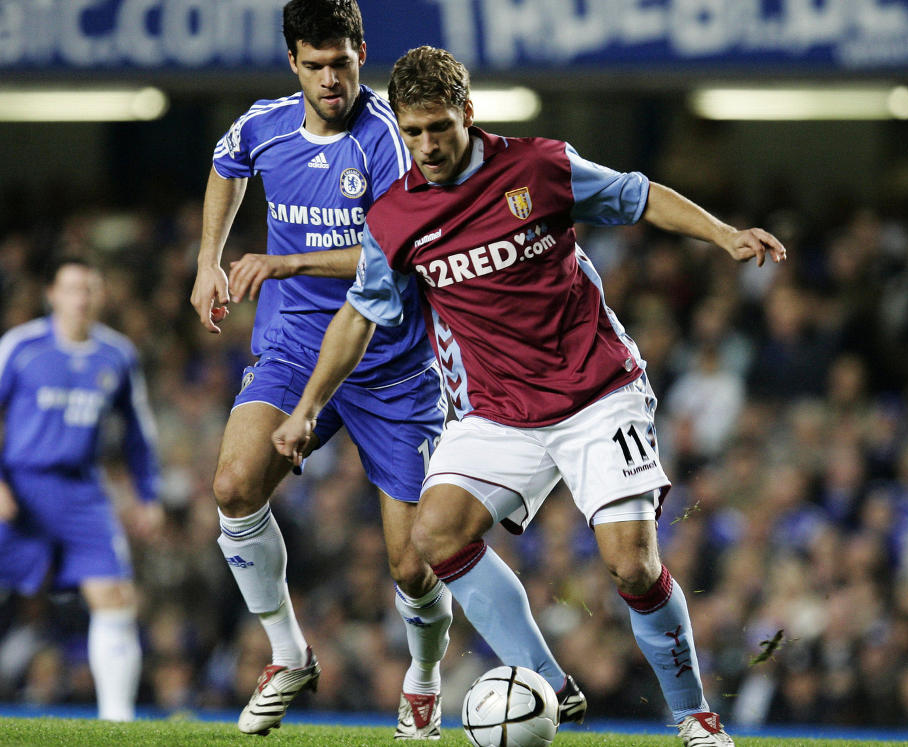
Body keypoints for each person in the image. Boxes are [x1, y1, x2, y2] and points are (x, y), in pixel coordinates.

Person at [273, 46, 788, 746]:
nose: (426, 145)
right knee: (435, 532)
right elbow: (359, 315)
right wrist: (305, 408)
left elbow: (637, 193)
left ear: (469, 115)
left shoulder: (539, 167)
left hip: (597, 391)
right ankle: (549, 681)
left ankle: (694, 717)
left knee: (631, 562)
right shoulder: (395, 219)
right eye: (413, 131)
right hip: (494, 410)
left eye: (439, 128)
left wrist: (723, 235)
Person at [189, 2, 584, 738]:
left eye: (342, 62)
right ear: (294, 65)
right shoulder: (263, 125)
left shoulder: (392, 140)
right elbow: (225, 164)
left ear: (361, 53)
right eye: (316, 65)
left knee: (412, 564)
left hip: (395, 363)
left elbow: (398, 251)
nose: (331, 79)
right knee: (233, 484)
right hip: (296, 345)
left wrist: (285, 259)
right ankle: (288, 654)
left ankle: (423, 678)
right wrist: (208, 260)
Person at [0, 257, 161, 721]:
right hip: (20, 487)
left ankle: (116, 721)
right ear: (52, 294)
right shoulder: (22, 347)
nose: (82, 298)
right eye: (72, 288)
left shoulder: (117, 354)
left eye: (90, 289)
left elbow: (137, 432)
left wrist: (147, 495)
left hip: (82, 491)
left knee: (114, 597)